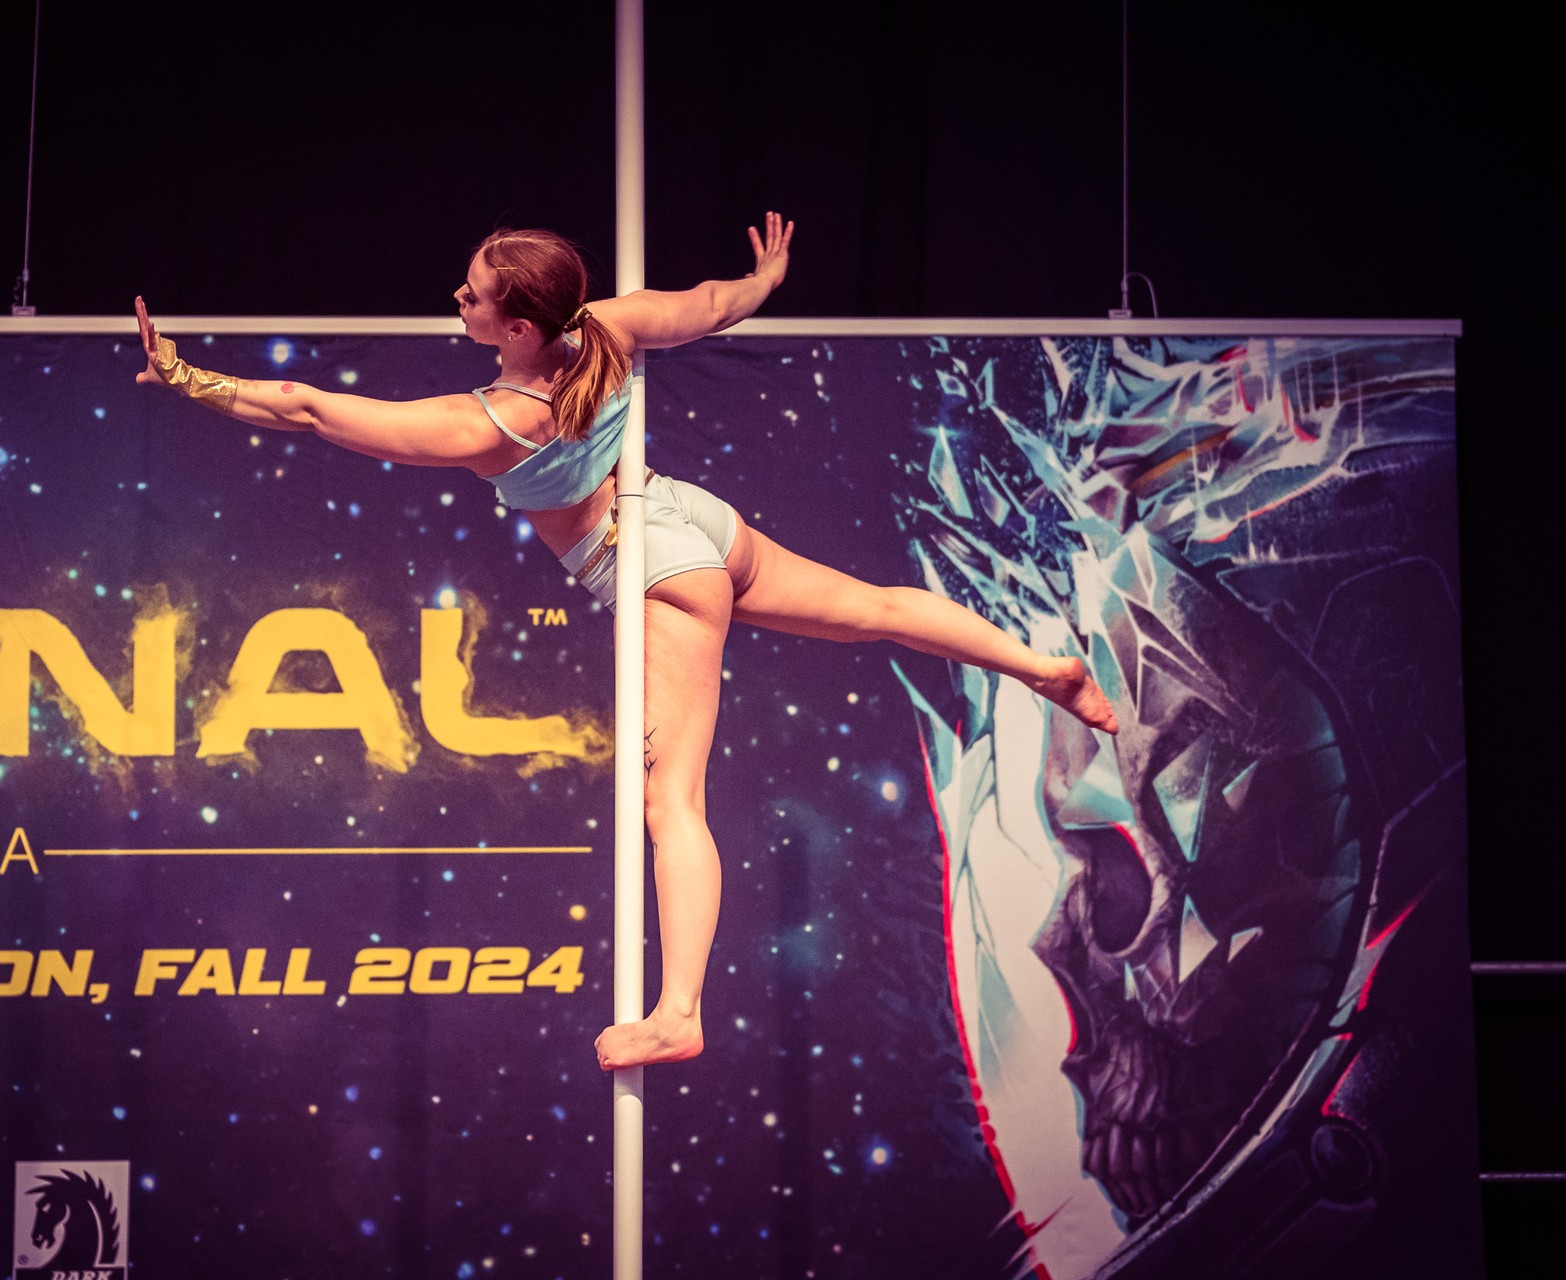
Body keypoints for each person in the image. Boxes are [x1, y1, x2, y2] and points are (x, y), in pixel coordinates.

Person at [132, 214, 1118, 1072]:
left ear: (518, 326)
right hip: (688, 517)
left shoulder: (489, 423)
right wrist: (766, 280)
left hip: (650, 570)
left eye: (473, 294)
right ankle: (1044, 669)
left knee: (671, 802)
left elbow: (307, 408)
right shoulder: (607, 326)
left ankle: (679, 1012)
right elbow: (711, 306)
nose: (458, 300)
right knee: (876, 607)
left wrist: (184, 376)